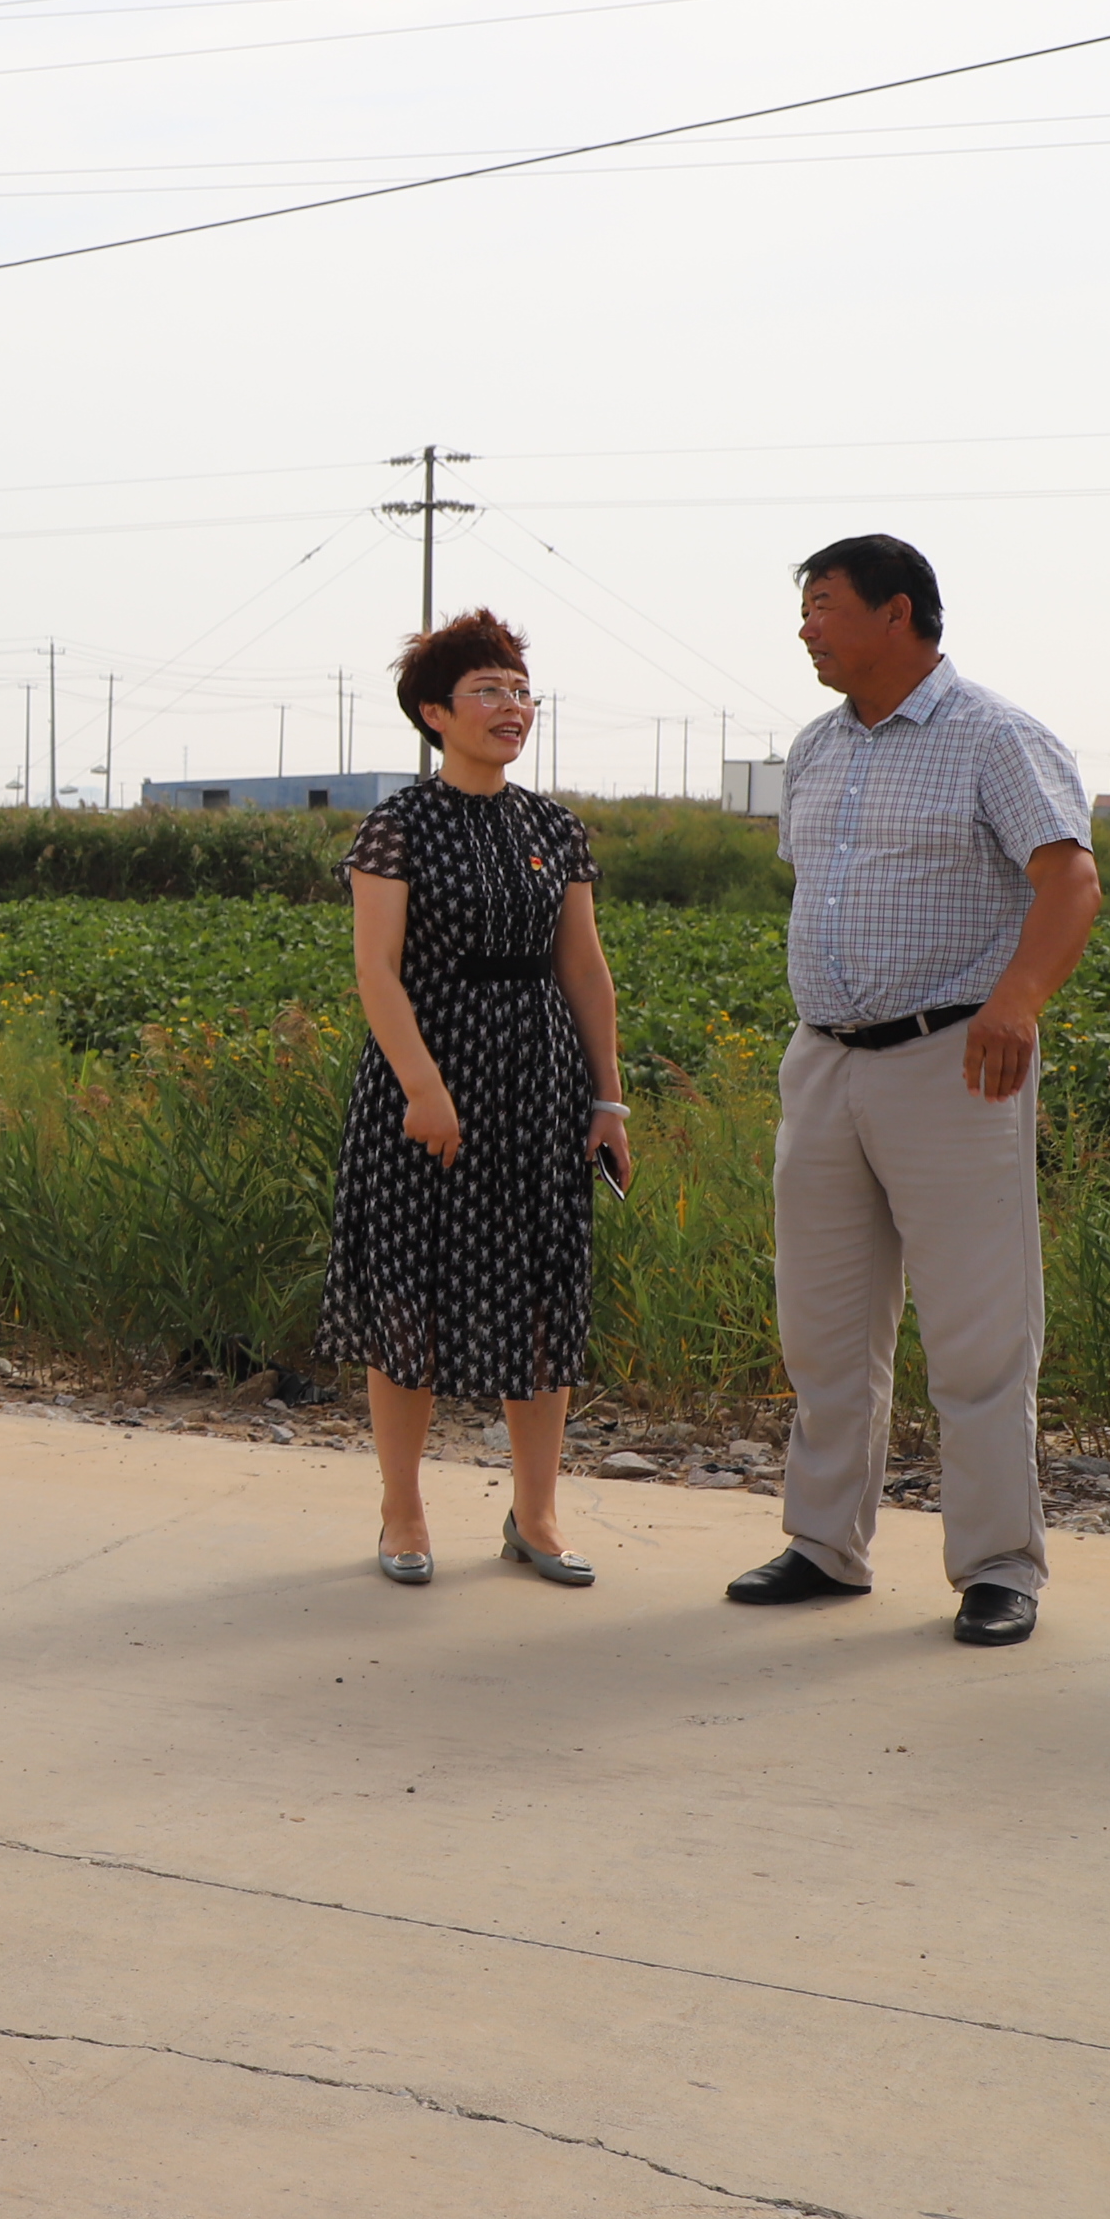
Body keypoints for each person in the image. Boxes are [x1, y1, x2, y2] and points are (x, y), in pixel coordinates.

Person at [728, 535, 1096, 1648]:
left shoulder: (994, 735)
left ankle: (997, 1566)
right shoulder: (814, 746)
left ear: (896, 613)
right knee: (823, 1326)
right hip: (824, 1060)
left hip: (955, 1061)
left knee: (979, 1335)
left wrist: (1016, 999)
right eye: (803, 608)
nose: (804, 628)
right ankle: (823, 1544)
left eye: (822, 606)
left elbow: (1069, 879)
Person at [318, 611, 629, 1590]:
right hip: (425, 1082)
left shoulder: (553, 828)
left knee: (542, 1295)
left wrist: (609, 1100)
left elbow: (584, 969)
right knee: (407, 1293)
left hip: (539, 1084)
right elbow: (376, 969)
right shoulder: (397, 826)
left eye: (520, 691)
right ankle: (402, 1508)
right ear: (434, 712)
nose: (512, 707)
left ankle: (535, 1513)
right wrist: (422, 1087)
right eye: (489, 690)